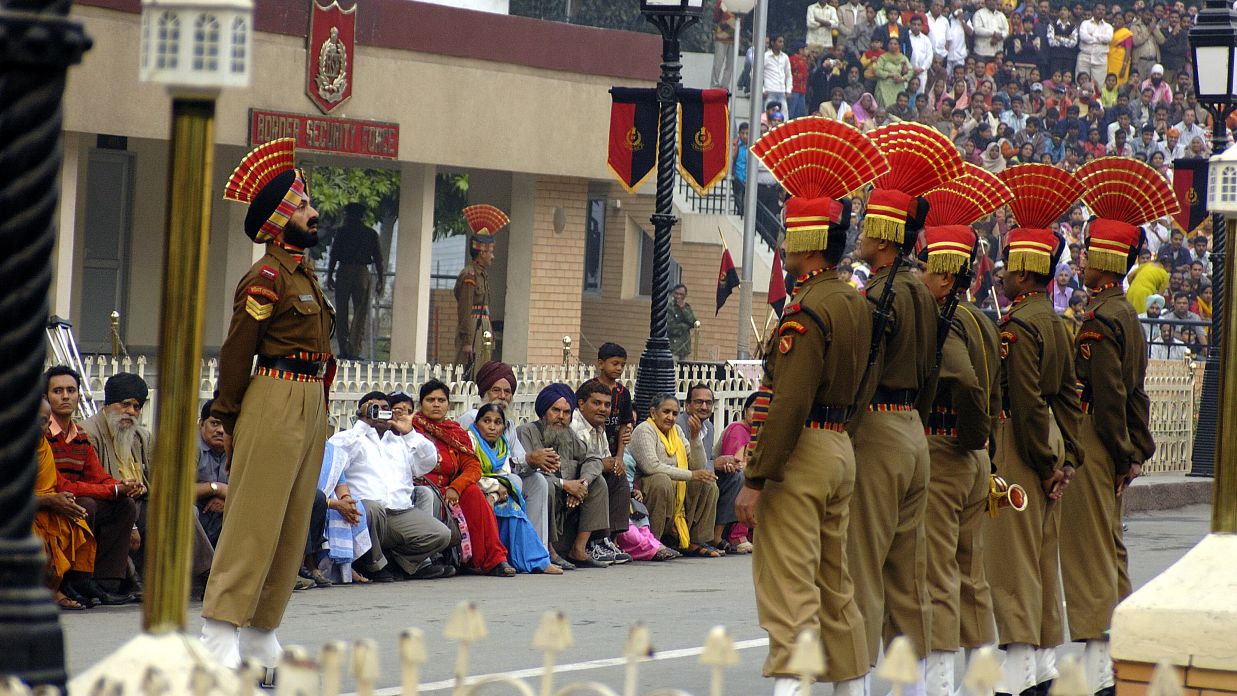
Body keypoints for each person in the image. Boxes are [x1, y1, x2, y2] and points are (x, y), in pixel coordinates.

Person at [733, 121, 884, 695]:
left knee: (789, 585)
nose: (784, 245)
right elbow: (867, 381)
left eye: (791, 235)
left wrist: (757, 475)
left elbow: (788, 403)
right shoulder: (854, 302)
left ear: (807, 242)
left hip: (800, 454)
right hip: (840, 444)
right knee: (834, 582)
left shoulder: (805, 312)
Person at [201, 138, 335, 677]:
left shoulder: (303, 273)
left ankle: (261, 632)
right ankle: (217, 634)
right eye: (302, 206)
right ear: (282, 218)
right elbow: (237, 350)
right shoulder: (267, 277)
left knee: (291, 523)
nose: (314, 212)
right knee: (254, 521)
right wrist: (224, 415)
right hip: (274, 396)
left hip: (309, 399)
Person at [849, 157, 940, 672]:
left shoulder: (882, 293)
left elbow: (865, 374)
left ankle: (856, 676)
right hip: (913, 429)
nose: (861, 234)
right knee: (908, 571)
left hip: (879, 428)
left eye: (868, 227)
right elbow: (929, 371)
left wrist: (848, 432)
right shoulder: (921, 292)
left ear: (885, 236)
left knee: (863, 562)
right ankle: (915, 683)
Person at [988, 222, 1084, 696]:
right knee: (1044, 558)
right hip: (1052, 441)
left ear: (1026, 274)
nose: (1003, 273)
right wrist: (1068, 460)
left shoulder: (1017, 326)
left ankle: (1017, 677)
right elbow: (1068, 397)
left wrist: (1046, 467)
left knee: (1012, 560)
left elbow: (1024, 404)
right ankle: (1044, 666)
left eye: (1009, 266)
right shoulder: (1056, 320)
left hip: (1022, 445)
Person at [1063, 204, 1156, 696]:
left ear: (1106, 258)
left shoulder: (1100, 319)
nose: (1081, 260)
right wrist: (1136, 450)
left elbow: (1109, 397)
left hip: (1095, 443)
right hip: (1113, 444)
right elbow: (1134, 393)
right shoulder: (1126, 314)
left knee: (1088, 554)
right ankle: (1117, 660)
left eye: (1087, 252)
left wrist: (1120, 452)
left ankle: (1100, 671)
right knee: (1109, 551)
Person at [917, 224, 1002, 696]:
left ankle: (942, 684)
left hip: (949, 451)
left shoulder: (946, 319)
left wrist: (971, 436)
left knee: (938, 571)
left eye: (929, 269)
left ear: (947, 277)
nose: (923, 277)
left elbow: (968, 384)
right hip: (973, 459)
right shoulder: (982, 319)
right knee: (972, 573)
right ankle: (982, 680)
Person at [83, 373, 214, 589]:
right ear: (108, 404)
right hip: (110, 503)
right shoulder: (90, 433)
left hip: (140, 501)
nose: (131, 412)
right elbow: (95, 482)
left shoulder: (141, 437)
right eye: (125, 405)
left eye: (136, 407)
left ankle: (206, 574)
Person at [330, 391, 454, 582]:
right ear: (363, 411)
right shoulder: (351, 437)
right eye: (375, 409)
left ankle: (399, 564)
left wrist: (410, 432)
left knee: (441, 534)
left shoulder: (400, 441)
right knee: (373, 508)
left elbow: (429, 461)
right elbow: (336, 460)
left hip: (399, 513)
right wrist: (364, 423)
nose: (381, 413)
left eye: (386, 409)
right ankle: (373, 565)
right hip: (365, 513)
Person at [44, 366, 139, 607]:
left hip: (72, 499)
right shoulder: (42, 432)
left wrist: (122, 486)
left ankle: (107, 581)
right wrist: (112, 490)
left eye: (71, 390)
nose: (65, 396)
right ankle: (75, 579)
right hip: (49, 501)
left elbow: (97, 476)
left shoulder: (80, 435)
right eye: (58, 391)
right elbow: (60, 484)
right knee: (86, 504)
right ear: (46, 397)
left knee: (125, 505)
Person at [411, 380, 514, 577]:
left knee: (473, 492)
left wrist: (457, 487)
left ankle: (494, 559)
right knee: (430, 496)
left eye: (441, 400)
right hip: (422, 487)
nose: (436, 404)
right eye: (430, 400)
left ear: (448, 404)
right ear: (421, 404)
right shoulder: (412, 429)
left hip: (451, 490)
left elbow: (473, 466)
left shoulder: (455, 432)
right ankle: (432, 559)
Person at [516, 384, 612, 569]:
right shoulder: (526, 432)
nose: (561, 417)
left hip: (566, 505)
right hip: (541, 499)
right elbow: (525, 473)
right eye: (556, 410)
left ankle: (579, 549)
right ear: (544, 411)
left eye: (567, 412)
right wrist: (565, 484)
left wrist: (582, 483)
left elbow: (592, 458)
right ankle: (548, 549)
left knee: (598, 482)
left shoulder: (569, 435)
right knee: (545, 484)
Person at [458, 362, 550, 549]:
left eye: (507, 392)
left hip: (503, 477)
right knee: (514, 480)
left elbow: (518, 460)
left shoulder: (507, 424)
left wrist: (532, 460)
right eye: (496, 390)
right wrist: (528, 459)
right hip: (476, 479)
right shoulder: (473, 417)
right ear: (484, 393)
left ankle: (537, 548)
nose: (502, 396)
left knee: (538, 481)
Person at [468, 403, 562, 574]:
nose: (492, 427)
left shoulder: (502, 445)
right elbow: (471, 474)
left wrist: (495, 494)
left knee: (513, 507)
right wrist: (495, 488)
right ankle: (532, 560)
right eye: (486, 421)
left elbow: (504, 474)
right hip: (473, 490)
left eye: (497, 423)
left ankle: (534, 559)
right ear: (476, 424)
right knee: (511, 504)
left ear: (503, 427)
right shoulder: (470, 441)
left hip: (495, 492)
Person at [630, 394, 720, 557]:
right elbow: (652, 467)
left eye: (674, 413)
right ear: (653, 412)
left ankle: (695, 541)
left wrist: (694, 438)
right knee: (662, 480)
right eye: (666, 412)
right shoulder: (644, 430)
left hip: (675, 486)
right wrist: (691, 475)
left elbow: (698, 466)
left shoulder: (677, 431)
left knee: (708, 483)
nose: (670, 417)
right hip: (646, 489)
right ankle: (654, 542)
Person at [33, 396, 96, 611]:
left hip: (37, 509)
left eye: (45, 422)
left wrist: (61, 500)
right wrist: (50, 500)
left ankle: (54, 588)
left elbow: (48, 485)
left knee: (76, 522)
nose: (43, 428)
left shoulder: (42, 446)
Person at [570, 379, 636, 565]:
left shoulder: (599, 427)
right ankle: (594, 542)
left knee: (618, 474)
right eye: (596, 403)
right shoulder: (575, 426)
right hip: (575, 478)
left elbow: (606, 457)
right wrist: (602, 464)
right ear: (581, 404)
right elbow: (585, 463)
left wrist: (612, 463)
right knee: (600, 479)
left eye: (607, 405)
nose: (603, 409)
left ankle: (608, 540)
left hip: (590, 475)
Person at [678, 383, 743, 553]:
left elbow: (707, 458)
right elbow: (684, 462)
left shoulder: (709, 427)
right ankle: (697, 538)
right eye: (698, 402)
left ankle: (716, 535)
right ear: (687, 405)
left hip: (703, 471)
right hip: (684, 476)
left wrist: (726, 462)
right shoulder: (679, 425)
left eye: (708, 403)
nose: (704, 407)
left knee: (737, 477)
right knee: (709, 482)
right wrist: (714, 464)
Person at [454, 204, 509, 375]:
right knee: (469, 373)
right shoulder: (469, 275)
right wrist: (467, 341)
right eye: (490, 252)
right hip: (473, 328)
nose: (492, 256)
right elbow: (465, 310)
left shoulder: (482, 275)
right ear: (481, 253)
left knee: (483, 372)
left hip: (483, 327)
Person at [325, 202, 383, 360]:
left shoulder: (342, 232)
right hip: (362, 272)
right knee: (360, 311)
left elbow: (334, 255)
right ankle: (354, 349)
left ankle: (344, 349)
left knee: (341, 310)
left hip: (344, 270)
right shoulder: (370, 234)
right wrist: (381, 280)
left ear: (347, 215)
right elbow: (378, 259)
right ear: (362, 216)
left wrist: (329, 274)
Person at [195, 399, 229, 548]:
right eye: (214, 423)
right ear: (201, 424)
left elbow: (250, 492)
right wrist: (218, 488)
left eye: (227, 425)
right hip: (195, 515)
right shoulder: (191, 447)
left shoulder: (236, 449)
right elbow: (179, 492)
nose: (221, 430)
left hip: (219, 521)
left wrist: (226, 500)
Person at [1077, 4, 1114, 86]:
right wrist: (1101, 39)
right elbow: (1084, 37)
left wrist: (1092, 35)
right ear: (1093, 11)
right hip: (1084, 57)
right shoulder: (1085, 23)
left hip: (1100, 59)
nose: (1100, 11)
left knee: (1099, 86)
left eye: (1103, 10)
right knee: (1081, 84)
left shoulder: (1108, 27)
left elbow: (1108, 38)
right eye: (1098, 9)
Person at [875, 38, 913, 108]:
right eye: (891, 43)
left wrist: (902, 79)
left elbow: (911, 72)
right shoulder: (883, 57)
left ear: (899, 46)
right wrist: (891, 75)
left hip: (898, 86)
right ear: (887, 45)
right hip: (884, 87)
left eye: (895, 44)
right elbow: (878, 71)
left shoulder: (903, 58)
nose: (892, 45)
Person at [763, 35, 793, 116]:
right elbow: (754, 73)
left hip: (782, 92)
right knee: (769, 117)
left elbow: (788, 75)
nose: (782, 44)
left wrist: (788, 90)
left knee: (784, 117)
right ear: (773, 43)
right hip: (770, 91)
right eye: (779, 41)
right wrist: (762, 89)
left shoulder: (785, 57)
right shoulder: (765, 56)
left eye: (782, 42)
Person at [667, 284, 698, 361]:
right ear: (673, 294)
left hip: (684, 348)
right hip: (673, 348)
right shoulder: (669, 307)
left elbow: (694, 323)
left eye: (681, 294)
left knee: (684, 371)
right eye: (676, 293)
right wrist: (686, 326)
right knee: (673, 371)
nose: (678, 296)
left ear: (685, 295)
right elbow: (671, 328)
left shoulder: (687, 307)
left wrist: (683, 308)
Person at [711, 0, 736, 88]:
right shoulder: (721, 1)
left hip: (734, 36)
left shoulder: (741, 3)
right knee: (718, 62)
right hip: (722, 35)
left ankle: (725, 86)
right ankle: (714, 85)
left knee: (730, 64)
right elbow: (715, 17)